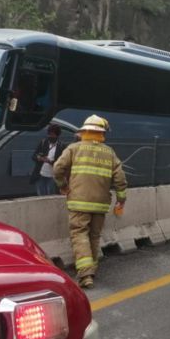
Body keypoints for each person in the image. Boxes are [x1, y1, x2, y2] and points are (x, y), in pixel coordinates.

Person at [53, 114, 127, 289]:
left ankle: (86, 274)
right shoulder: (109, 152)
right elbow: (120, 179)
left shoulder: (73, 148)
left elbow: (57, 168)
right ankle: (91, 268)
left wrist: (63, 185)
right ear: (101, 134)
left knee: (80, 234)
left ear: (84, 132)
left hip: (78, 202)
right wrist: (121, 199)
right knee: (94, 236)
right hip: (101, 204)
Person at [31, 124, 66, 196]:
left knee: (51, 195)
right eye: (49, 134)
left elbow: (62, 163)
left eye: (52, 134)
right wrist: (39, 158)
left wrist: (50, 162)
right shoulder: (43, 143)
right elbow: (34, 156)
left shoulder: (61, 146)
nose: (50, 136)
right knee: (41, 196)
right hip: (40, 175)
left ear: (57, 135)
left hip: (52, 176)